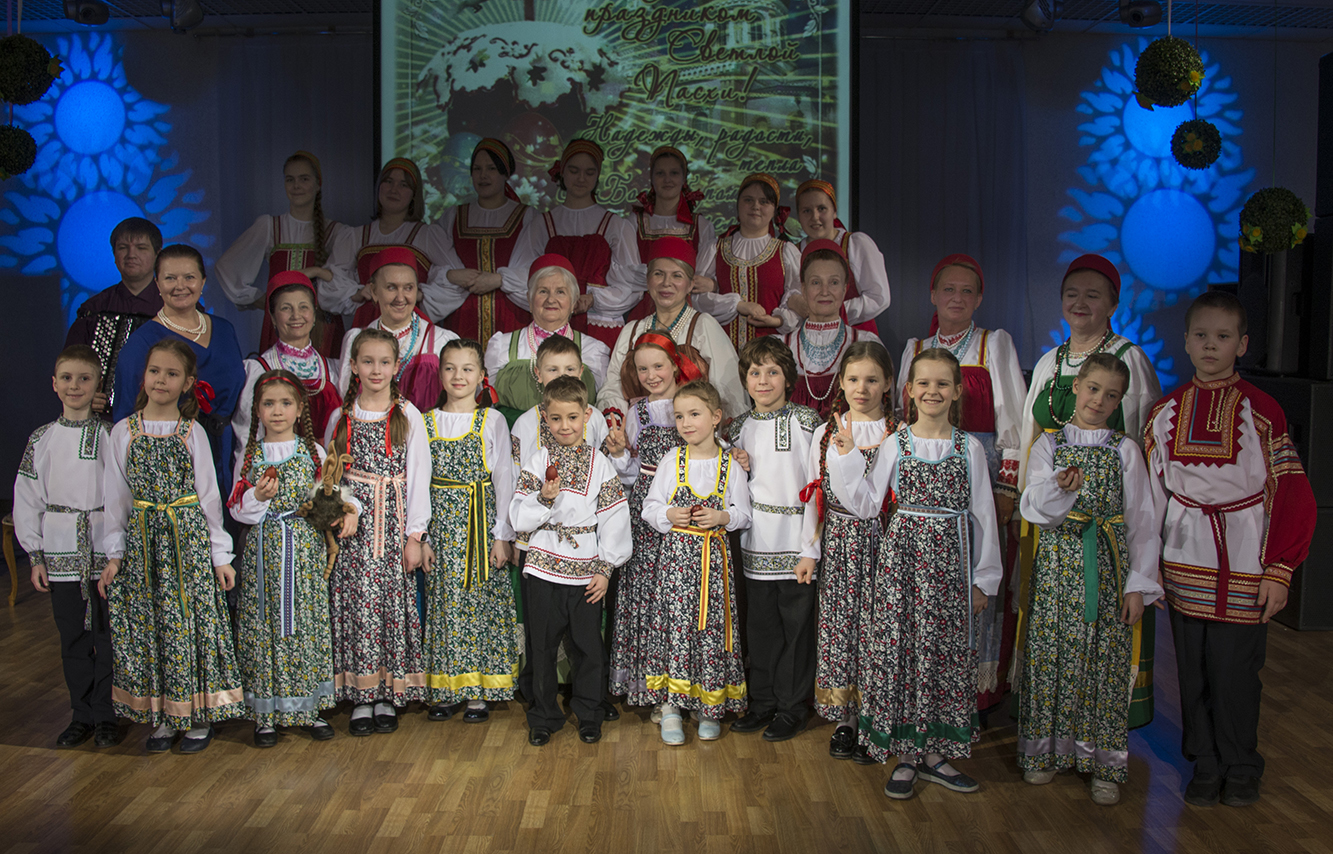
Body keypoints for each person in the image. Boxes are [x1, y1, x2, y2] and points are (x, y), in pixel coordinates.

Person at [1146, 291, 1316, 808]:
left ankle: (1242, 764)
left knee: (1236, 670)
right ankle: (1205, 761)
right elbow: (1152, 497)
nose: (1210, 346)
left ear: (1242, 344)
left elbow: (1289, 491)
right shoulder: (1165, 411)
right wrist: (1148, 567)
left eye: (1223, 337)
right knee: (1193, 669)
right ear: (1186, 341)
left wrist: (1280, 568)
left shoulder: (1262, 411)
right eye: (1201, 336)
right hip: (1184, 558)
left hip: (1243, 559)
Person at [827, 348, 1002, 799]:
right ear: (908, 390)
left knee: (941, 653)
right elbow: (866, 504)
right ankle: (906, 754)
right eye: (923, 383)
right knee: (902, 652)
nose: (932, 391)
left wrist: (984, 580)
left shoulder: (970, 449)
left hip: (949, 568)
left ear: (957, 391)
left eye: (942, 383)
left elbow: (983, 514)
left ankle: (934, 754)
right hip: (902, 566)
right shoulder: (896, 443)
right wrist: (845, 457)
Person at [1018, 253, 1162, 729]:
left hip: (1106, 529)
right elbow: (1027, 434)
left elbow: (1141, 439)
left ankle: (1099, 728)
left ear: (1112, 304)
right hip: (1050, 519)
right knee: (1054, 626)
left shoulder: (1130, 360)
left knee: (1103, 631)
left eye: (1093, 294)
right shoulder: (1047, 361)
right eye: (1072, 293)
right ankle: (1051, 727)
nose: (1080, 302)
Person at [1017, 354, 1163, 806]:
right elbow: (1033, 506)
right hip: (1059, 566)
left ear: (1120, 401)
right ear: (1076, 387)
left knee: (1103, 661)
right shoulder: (1050, 444)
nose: (1100, 400)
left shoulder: (1125, 449)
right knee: (1050, 653)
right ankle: (1044, 753)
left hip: (1107, 565)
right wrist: (1060, 487)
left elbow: (1142, 519)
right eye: (1093, 389)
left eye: (1112, 394)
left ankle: (1103, 763)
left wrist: (1137, 584)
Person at [98, 338, 244, 754]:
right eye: (155, 371)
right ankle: (163, 715)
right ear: (143, 377)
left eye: (172, 374)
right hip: (144, 541)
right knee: (153, 625)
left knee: (188, 624)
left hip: (186, 540)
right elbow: (117, 497)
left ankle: (195, 715)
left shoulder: (190, 431)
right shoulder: (123, 431)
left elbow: (209, 496)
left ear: (188, 383)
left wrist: (220, 556)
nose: (161, 380)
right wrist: (115, 554)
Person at [897, 254, 1026, 709]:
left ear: (979, 298)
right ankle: (926, 688)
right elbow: (903, 421)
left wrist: (1006, 487)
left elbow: (1014, 421)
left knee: (977, 572)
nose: (957, 298)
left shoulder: (995, 344)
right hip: (927, 481)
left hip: (982, 471)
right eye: (948, 289)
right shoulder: (915, 349)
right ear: (933, 295)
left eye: (967, 290)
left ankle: (973, 694)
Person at [230, 369, 355, 747]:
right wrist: (259, 498)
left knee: (304, 621)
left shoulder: (312, 451)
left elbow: (329, 491)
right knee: (264, 622)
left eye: (286, 403)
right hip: (264, 549)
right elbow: (237, 508)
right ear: (257, 409)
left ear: (300, 407)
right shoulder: (249, 454)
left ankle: (308, 707)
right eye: (269, 404)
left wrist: (340, 510)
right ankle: (266, 714)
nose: (277, 411)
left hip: (303, 549)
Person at [509, 375, 631, 746]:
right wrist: (544, 500)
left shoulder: (601, 464)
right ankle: (544, 715)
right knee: (541, 645)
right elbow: (518, 515)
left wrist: (605, 569)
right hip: (543, 567)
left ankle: (589, 712)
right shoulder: (537, 461)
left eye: (573, 418)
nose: (565, 426)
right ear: (545, 418)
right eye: (557, 419)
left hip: (586, 573)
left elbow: (614, 517)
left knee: (587, 646)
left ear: (587, 416)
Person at [323, 327, 431, 736]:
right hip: (354, 529)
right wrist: (343, 506)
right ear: (352, 366)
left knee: (389, 607)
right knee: (357, 607)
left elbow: (419, 476)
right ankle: (362, 695)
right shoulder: (342, 416)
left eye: (384, 362)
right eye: (367, 361)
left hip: (394, 526)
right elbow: (333, 474)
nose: (376, 369)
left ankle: (388, 692)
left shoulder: (407, 414)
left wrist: (414, 536)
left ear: (396, 366)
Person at [796, 341, 895, 762]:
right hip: (839, 541)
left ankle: (878, 715)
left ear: (888, 384)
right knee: (840, 627)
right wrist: (808, 551)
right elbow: (813, 498)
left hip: (885, 544)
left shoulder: (898, 433)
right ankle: (845, 719)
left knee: (880, 631)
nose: (862, 387)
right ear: (841, 381)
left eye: (872, 379)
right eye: (853, 379)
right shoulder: (823, 433)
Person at [13, 345, 116, 748]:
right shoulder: (42, 439)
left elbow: (121, 495)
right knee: (72, 635)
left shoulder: (111, 435)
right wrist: (34, 554)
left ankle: (108, 713)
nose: (75, 386)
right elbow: (28, 498)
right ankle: (82, 713)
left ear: (97, 386)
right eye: (68, 379)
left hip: (103, 550)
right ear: (55, 385)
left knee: (107, 635)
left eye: (84, 378)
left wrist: (116, 549)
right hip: (60, 553)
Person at [642, 380, 752, 745]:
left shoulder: (729, 464)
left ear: (716, 417)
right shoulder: (673, 460)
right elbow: (650, 507)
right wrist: (670, 513)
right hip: (676, 564)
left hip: (713, 566)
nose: (686, 423)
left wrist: (722, 518)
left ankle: (709, 705)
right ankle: (672, 706)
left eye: (694, 414)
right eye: (679, 416)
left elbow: (744, 514)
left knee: (711, 632)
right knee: (676, 628)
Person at [724, 337, 821, 743]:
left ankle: (791, 706)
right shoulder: (737, 427)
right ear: (745, 380)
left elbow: (818, 487)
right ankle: (761, 701)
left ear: (788, 377)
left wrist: (810, 549)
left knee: (796, 630)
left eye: (772, 372)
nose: (763, 380)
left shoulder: (808, 422)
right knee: (760, 627)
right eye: (754, 372)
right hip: (754, 544)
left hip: (797, 544)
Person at [420, 339, 519, 724]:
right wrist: (423, 537)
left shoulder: (491, 420)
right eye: (450, 368)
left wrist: (501, 535)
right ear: (440, 374)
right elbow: (420, 483)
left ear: (482, 376)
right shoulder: (425, 421)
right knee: (445, 605)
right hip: (443, 529)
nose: (458, 376)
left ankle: (479, 689)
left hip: (480, 524)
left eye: (467, 369)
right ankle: (445, 687)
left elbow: (503, 480)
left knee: (481, 604)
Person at [112, 244, 246, 493]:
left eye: (189, 277)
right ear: (157, 283)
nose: (180, 286)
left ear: (203, 281)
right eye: (170, 278)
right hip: (174, 459)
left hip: (229, 452)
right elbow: (126, 416)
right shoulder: (142, 342)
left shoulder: (225, 330)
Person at [603, 333, 689, 713]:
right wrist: (621, 454)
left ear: (675, 365)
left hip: (684, 509)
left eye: (658, 366)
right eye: (643, 369)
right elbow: (632, 472)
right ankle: (650, 687)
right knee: (646, 599)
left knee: (678, 598)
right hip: (644, 512)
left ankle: (681, 685)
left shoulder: (692, 403)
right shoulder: (635, 412)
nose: (652, 375)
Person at [213, 150, 348, 355]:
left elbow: (345, 280)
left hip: (323, 327)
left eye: (304, 179)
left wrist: (316, 272)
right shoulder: (270, 226)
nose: (296, 186)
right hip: (280, 327)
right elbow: (227, 268)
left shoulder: (336, 232)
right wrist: (265, 301)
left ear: (318, 184)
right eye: (290, 179)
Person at [508, 139, 638, 348]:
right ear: (562, 172)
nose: (581, 178)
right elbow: (521, 277)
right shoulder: (542, 224)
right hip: (552, 324)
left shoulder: (615, 225)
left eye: (589, 172)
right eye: (574, 170)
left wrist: (594, 299)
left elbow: (631, 286)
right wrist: (551, 306)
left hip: (600, 324)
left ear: (597, 176)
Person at [599, 236, 746, 420]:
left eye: (677, 275)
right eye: (658, 274)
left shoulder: (703, 326)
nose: (666, 283)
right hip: (637, 436)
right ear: (648, 280)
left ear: (690, 284)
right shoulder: (632, 331)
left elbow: (728, 393)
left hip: (692, 439)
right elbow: (613, 386)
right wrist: (618, 420)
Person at [230, 271, 343, 476]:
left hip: (327, 476)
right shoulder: (258, 370)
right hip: (277, 477)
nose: (296, 315)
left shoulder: (334, 369)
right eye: (286, 308)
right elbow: (248, 436)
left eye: (303, 307)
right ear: (273, 317)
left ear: (314, 314)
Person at [325, 157, 459, 328]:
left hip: (410, 328)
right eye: (388, 181)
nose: (394, 189)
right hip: (367, 326)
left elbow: (454, 280)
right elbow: (332, 279)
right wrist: (357, 293)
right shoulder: (356, 236)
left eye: (403, 185)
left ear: (414, 195)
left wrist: (420, 294)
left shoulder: (427, 235)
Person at [484, 254, 609, 421]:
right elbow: (486, 404)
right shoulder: (502, 345)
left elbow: (603, 404)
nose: (551, 299)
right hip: (512, 441)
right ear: (529, 299)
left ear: (573, 302)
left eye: (560, 292)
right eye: (543, 291)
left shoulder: (593, 350)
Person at [435, 138, 536, 342]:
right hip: (463, 315)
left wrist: (499, 279)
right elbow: (433, 265)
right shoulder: (453, 216)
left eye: (491, 168)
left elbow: (537, 269)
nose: (483, 175)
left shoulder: (527, 217)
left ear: (505, 173)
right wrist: (453, 275)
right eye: (477, 169)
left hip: (512, 315)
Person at [336, 248, 459, 413]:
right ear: (373, 291)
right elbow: (346, 397)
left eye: (408, 288)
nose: (400, 298)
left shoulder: (442, 340)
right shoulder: (355, 339)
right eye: (391, 288)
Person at [65, 217, 164, 418]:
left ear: (157, 255)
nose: (131, 255)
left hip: (164, 420)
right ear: (114, 255)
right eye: (123, 248)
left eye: (141, 248)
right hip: (104, 420)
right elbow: (70, 366)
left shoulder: (177, 307)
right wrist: (85, 395)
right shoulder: (94, 309)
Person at [693, 173, 801, 352]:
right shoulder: (715, 249)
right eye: (748, 200)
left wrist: (778, 320)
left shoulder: (786, 252)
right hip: (721, 351)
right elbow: (697, 299)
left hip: (770, 354)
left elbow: (797, 299)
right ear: (737, 206)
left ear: (775, 210)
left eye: (764, 201)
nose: (755, 206)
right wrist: (737, 304)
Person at [782, 239, 883, 418]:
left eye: (834, 282)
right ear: (803, 290)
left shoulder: (865, 343)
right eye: (815, 282)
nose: (825, 291)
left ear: (845, 289)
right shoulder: (784, 347)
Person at [621, 146, 717, 324]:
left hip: (686, 313)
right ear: (651, 178)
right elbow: (628, 274)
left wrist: (712, 284)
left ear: (683, 178)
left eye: (673, 173)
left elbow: (704, 279)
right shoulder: (634, 222)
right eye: (660, 173)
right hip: (641, 309)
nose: (667, 179)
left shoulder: (700, 226)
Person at [790, 179, 890, 333]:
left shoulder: (855, 244)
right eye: (806, 211)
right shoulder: (792, 252)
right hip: (808, 341)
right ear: (799, 215)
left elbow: (878, 297)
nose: (815, 217)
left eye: (822, 208)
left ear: (834, 211)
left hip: (856, 341)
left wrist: (831, 311)